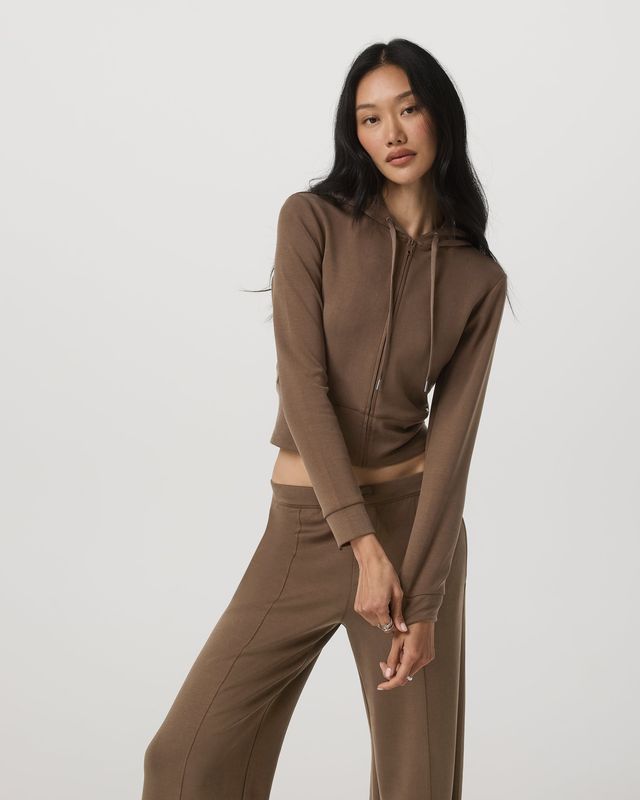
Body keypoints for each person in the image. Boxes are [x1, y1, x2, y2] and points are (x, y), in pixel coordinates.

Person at [141, 37, 511, 800]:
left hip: (413, 536)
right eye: (371, 119)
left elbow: (453, 445)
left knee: (417, 786)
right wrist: (360, 544)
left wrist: (425, 597)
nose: (392, 133)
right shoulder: (311, 221)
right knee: (184, 760)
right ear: (355, 134)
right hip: (307, 531)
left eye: (408, 109)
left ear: (439, 116)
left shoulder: (478, 277)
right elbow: (303, 385)